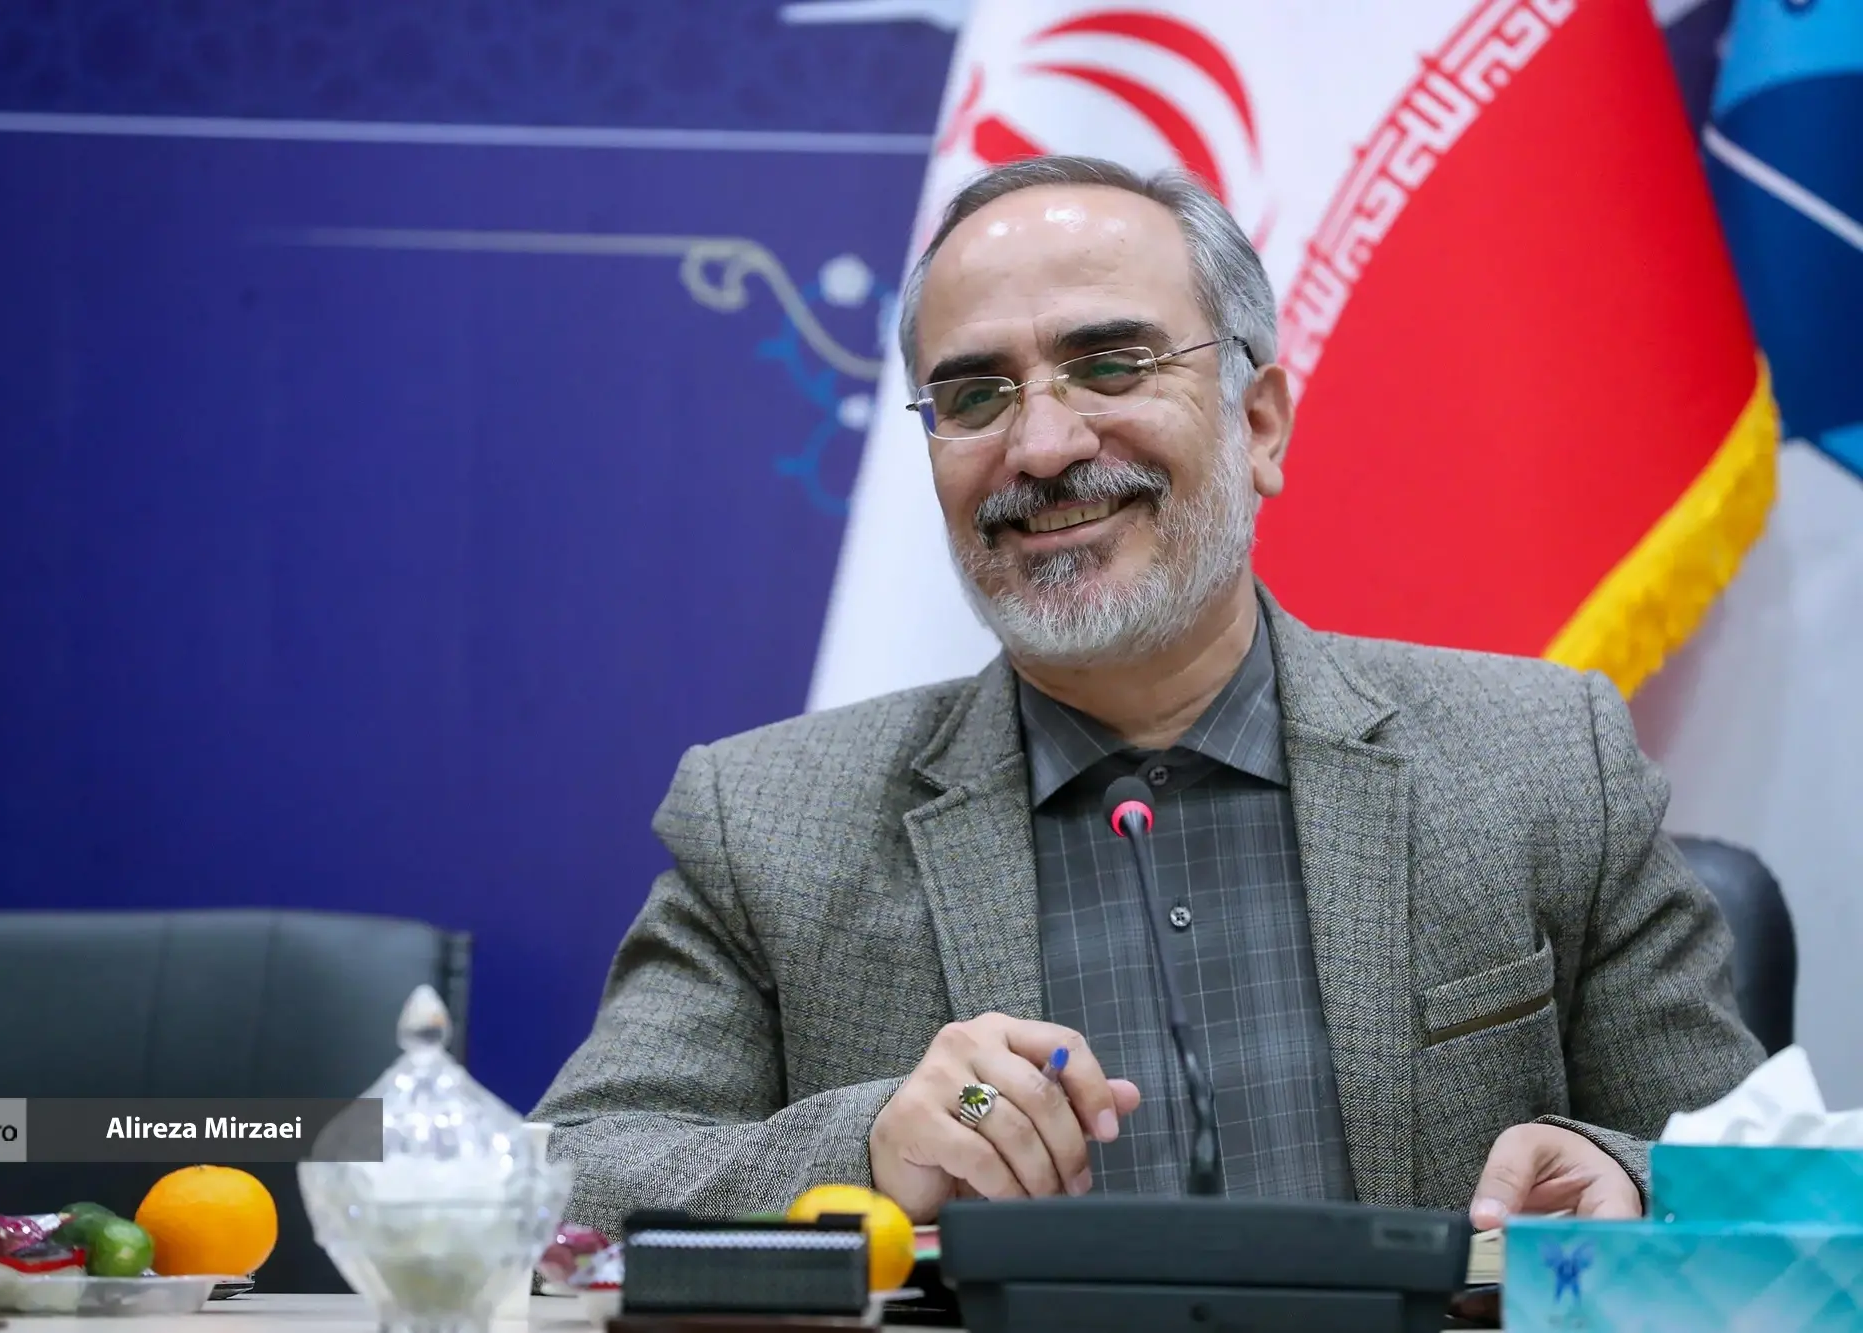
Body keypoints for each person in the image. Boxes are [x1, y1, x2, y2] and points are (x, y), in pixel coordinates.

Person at [532, 155, 1765, 1235]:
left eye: (1109, 364)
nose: (1042, 447)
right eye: (974, 395)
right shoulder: (769, 820)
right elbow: (564, 1178)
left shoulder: (1542, 759)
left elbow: (1751, 1178)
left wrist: (1623, 1172)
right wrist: (865, 1148)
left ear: (1258, 423)